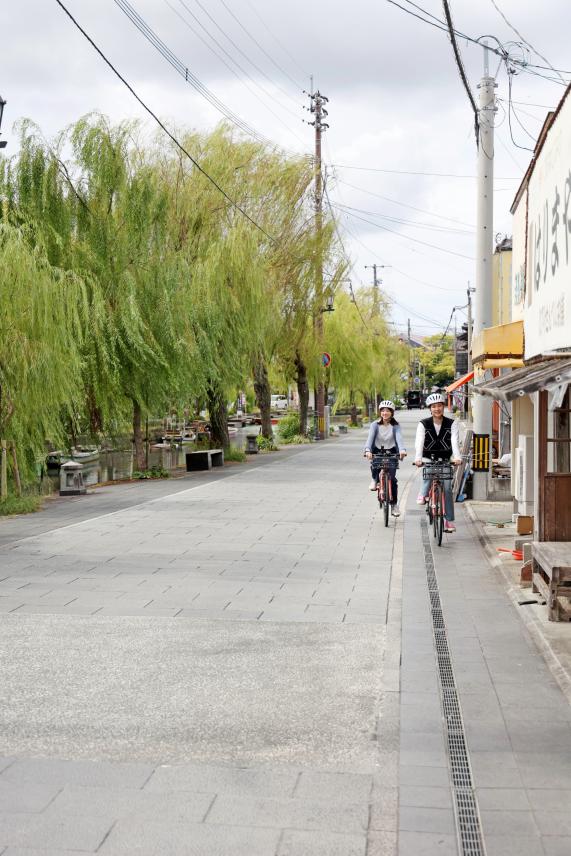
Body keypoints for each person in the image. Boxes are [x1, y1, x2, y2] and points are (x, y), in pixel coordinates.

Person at [414, 392, 461, 533]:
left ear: (443, 407)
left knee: (447, 489)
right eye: (434, 406)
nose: (437, 409)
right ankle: (423, 494)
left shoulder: (451, 423)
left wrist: (457, 457)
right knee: (428, 471)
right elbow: (419, 442)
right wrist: (418, 458)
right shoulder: (423, 424)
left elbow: (454, 442)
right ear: (430, 408)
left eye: (439, 406)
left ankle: (449, 521)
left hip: (445, 459)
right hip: (428, 457)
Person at [365, 401, 407, 517]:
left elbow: (399, 438)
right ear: (380, 412)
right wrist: (368, 450)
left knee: (392, 479)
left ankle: (394, 505)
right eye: (383, 410)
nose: (385, 413)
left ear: (392, 413)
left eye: (387, 411)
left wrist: (402, 450)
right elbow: (370, 438)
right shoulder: (375, 425)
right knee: (375, 463)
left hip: (392, 451)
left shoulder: (396, 426)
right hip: (377, 450)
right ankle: (374, 479)